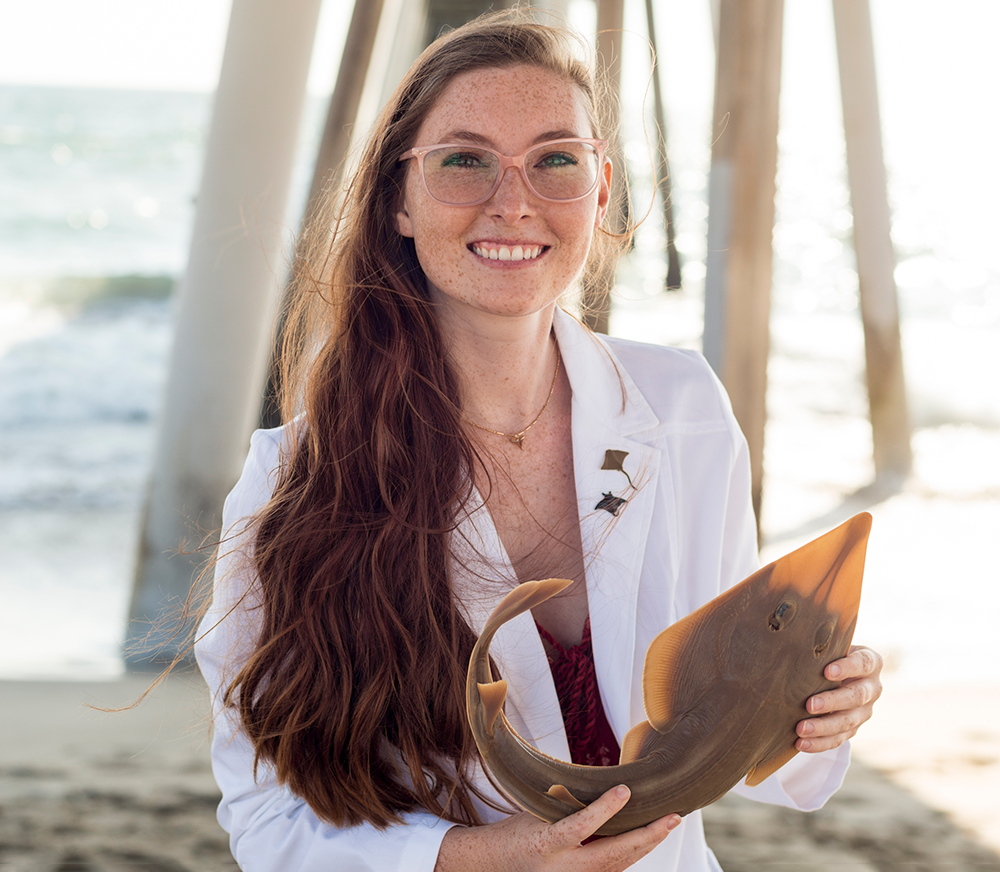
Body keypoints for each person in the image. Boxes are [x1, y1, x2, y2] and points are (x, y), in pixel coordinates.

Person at [194, 10, 883, 871]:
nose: (512, 200)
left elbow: (761, 756)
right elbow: (265, 817)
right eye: (463, 161)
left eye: (555, 159)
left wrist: (824, 716)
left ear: (599, 191)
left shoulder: (682, 406)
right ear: (398, 201)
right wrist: (472, 859)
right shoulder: (295, 477)